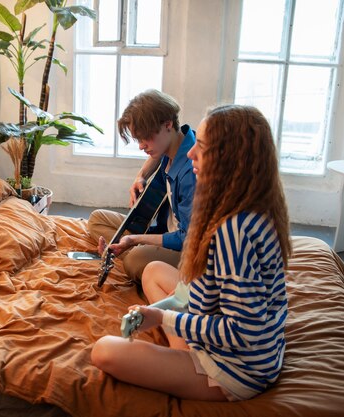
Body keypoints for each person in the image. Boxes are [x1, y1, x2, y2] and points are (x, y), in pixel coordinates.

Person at [91, 104, 292, 402]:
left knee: (104, 350)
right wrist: (161, 310)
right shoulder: (255, 205)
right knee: (154, 271)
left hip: (239, 368)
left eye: (202, 146)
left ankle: (189, 360)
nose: (190, 153)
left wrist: (162, 319)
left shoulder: (232, 230)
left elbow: (241, 332)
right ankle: (185, 351)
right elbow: (200, 292)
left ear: (230, 158)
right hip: (254, 346)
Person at [88, 89, 197, 282]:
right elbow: (156, 158)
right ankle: (130, 250)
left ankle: (134, 254)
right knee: (97, 219)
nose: (141, 146)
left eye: (145, 137)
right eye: (138, 139)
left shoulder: (191, 171)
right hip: (162, 229)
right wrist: (141, 176)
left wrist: (136, 240)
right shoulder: (178, 141)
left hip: (185, 249)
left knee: (134, 261)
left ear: (168, 125)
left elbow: (187, 239)